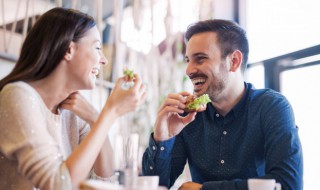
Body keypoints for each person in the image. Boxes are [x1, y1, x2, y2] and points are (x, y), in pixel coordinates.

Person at [142, 19, 302, 190]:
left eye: (200, 58)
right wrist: (162, 138)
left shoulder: (272, 107)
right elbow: (156, 186)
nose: (189, 70)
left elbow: (287, 185)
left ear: (234, 61)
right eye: (188, 60)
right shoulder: (187, 116)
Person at [0, 7, 146, 190]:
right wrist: (111, 112)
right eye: (97, 48)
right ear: (68, 49)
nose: (104, 60)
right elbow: (58, 185)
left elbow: (104, 181)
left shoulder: (72, 111)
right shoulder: (16, 95)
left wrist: (96, 118)